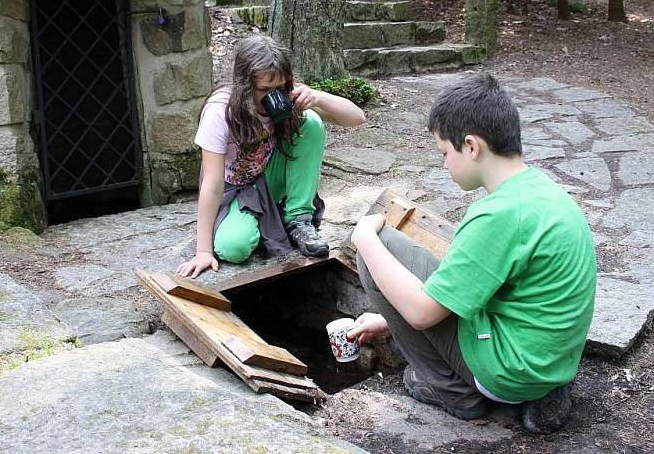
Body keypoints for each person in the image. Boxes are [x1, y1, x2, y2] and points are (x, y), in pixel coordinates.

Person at [347, 73, 596, 435]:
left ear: (471, 145)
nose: (444, 163)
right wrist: (388, 321)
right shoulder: (541, 191)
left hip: (511, 371)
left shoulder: (496, 216)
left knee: (381, 248)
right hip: (549, 360)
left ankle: (451, 391)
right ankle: (545, 392)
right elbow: (488, 286)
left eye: (445, 153)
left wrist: (364, 238)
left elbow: (420, 313)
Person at [176, 35, 366, 279]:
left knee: (311, 123)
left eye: (279, 87)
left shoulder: (286, 95)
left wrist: (317, 97)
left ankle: (298, 219)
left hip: (266, 176)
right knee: (234, 248)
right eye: (264, 90)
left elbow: (357, 118)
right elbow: (211, 184)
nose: (273, 96)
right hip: (232, 189)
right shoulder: (220, 111)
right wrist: (203, 250)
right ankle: (264, 222)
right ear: (244, 85)